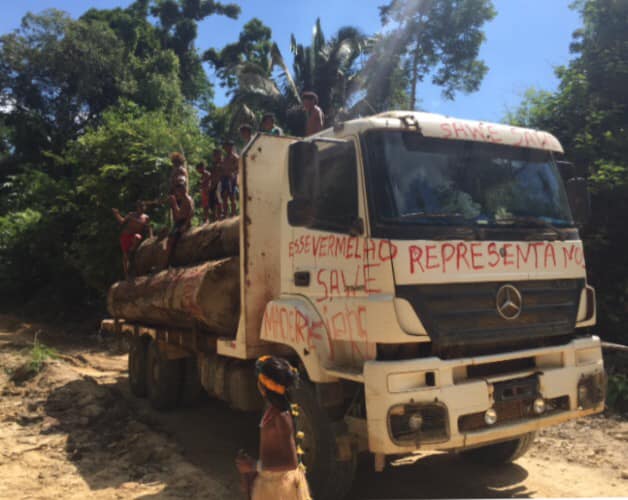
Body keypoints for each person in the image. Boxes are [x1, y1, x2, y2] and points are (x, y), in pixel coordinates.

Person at [235, 356, 311, 500]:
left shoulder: (281, 417)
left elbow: (291, 463)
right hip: (271, 483)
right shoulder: (273, 412)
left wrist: (254, 466)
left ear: (263, 386)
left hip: (279, 489)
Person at [112, 202, 152, 278]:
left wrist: (151, 237)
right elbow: (122, 221)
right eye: (140, 207)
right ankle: (126, 274)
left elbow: (149, 227)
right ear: (137, 207)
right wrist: (116, 214)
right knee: (125, 256)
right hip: (125, 236)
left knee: (137, 237)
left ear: (145, 208)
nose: (141, 208)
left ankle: (132, 250)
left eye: (143, 207)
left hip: (135, 237)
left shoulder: (146, 217)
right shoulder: (131, 215)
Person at [166, 177, 194, 266]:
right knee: (169, 238)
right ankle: (170, 259)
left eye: (180, 189)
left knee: (171, 239)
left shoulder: (187, 199)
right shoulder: (182, 199)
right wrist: (173, 204)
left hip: (183, 223)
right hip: (179, 222)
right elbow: (178, 213)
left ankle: (169, 261)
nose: (178, 192)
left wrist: (185, 225)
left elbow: (191, 213)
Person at [221, 139, 240, 217]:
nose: (226, 148)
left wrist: (233, 174)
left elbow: (238, 168)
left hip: (231, 178)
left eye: (228, 146)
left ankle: (233, 213)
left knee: (232, 196)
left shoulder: (235, 157)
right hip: (224, 178)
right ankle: (226, 213)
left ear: (231, 147)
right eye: (225, 147)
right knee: (225, 196)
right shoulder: (224, 158)